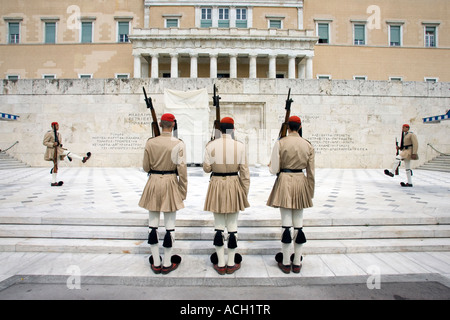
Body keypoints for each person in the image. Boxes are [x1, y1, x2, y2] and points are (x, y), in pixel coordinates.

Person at [138, 113, 187, 275]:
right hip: (171, 182)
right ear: (173, 125)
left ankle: (156, 262)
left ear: (160, 124)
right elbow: (182, 170)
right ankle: (167, 263)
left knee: (152, 225)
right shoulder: (178, 143)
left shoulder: (150, 142)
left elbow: (146, 167)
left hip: (153, 182)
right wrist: (183, 190)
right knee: (169, 226)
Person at [267, 116, 315, 274]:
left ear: (288, 127)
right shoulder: (307, 145)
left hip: (285, 181)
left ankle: (286, 263)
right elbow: (311, 172)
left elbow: (274, 169)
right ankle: (297, 262)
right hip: (301, 182)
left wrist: (272, 165)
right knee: (299, 225)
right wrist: (310, 192)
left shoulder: (280, 142)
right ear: (300, 127)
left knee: (286, 225)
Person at [203, 117, 250, 275]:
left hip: (216, 184)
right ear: (233, 130)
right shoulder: (240, 146)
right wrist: (243, 193)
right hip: (233, 184)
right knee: (232, 227)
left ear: (219, 130)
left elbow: (206, 169)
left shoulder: (210, 146)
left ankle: (220, 264)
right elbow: (245, 173)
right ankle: (231, 263)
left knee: (218, 226)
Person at [43, 122, 91, 186]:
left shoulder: (58, 134)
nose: (58, 127)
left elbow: (59, 143)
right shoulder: (49, 133)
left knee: (56, 166)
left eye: (58, 126)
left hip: (58, 150)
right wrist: (52, 144)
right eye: (56, 126)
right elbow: (44, 142)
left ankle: (53, 182)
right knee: (68, 153)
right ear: (53, 126)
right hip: (53, 151)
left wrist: (59, 144)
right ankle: (82, 158)